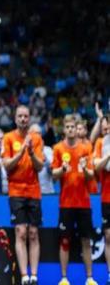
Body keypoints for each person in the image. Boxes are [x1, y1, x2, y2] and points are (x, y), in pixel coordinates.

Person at [1, 105, 44, 285]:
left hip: (33, 191)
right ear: (15, 118)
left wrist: (31, 152)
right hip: (16, 191)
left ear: (29, 118)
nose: (23, 119)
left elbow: (40, 167)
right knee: (20, 232)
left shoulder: (37, 138)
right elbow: (7, 165)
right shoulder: (8, 138)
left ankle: (34, 276)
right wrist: (21, 151)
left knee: (33, 233)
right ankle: (24, 276)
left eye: (26, 116)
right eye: (20, 116)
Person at [52, 115, 97, 285]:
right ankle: (64, 278)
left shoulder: (85, 149)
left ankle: (89, 278)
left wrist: (85, 169)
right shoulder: (58, 148)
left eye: (73, 127)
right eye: (68, 127)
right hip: (66, 204)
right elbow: (54, 175)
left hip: (83, 203)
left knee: (86, 241)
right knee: (64, 241)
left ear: (76, 129)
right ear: (64, 129)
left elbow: (91, 175)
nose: (70, 129)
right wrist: (62, 170)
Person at [93, 117, 110, 285]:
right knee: (109, 236)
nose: (108, 130)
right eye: (105, 128)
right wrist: (108, 156)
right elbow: (97, 167)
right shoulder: (100, 143)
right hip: (107, 196)